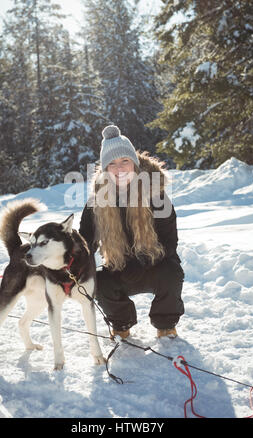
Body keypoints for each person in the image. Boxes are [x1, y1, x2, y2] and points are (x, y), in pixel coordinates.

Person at [79, 124, 184, 339]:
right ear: (106, 169)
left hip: (154, 263)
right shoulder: (96, 203)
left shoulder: (156, 196)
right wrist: (71, 261)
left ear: (134, 164)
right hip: (119, 268)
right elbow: (85, 243)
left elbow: (169, 241)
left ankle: (166, 325)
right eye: (112, 164)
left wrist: (143, 260)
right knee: (101, 281)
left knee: (173, 274)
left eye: (124, 161)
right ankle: (121, 324)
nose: (119, 169)